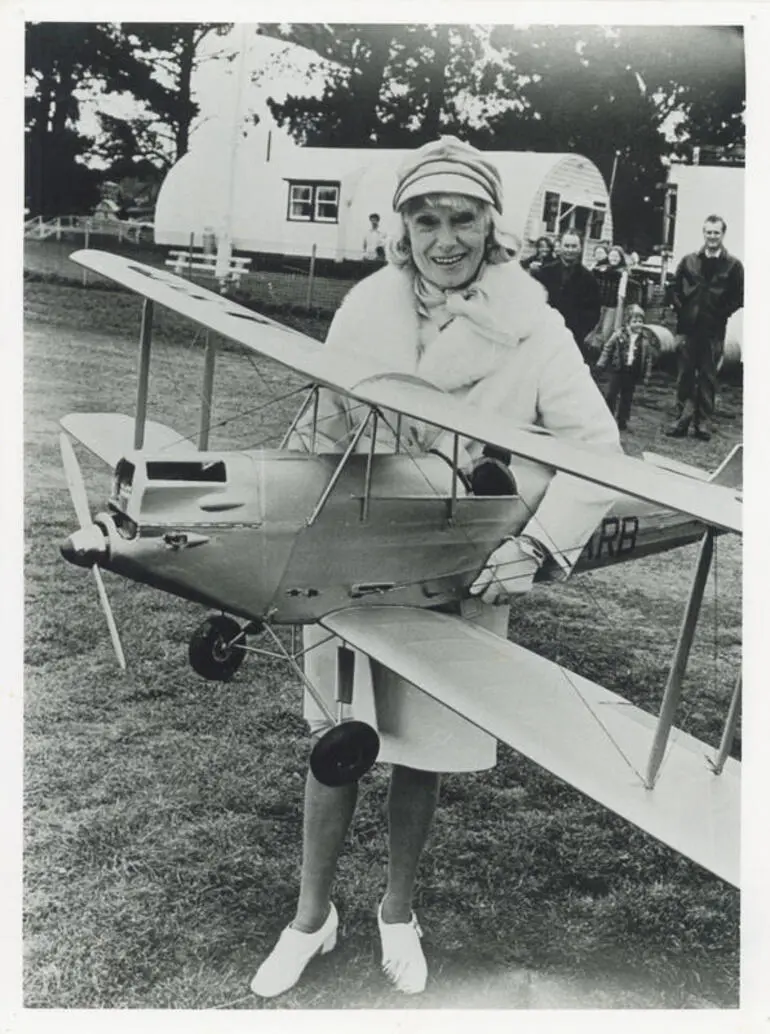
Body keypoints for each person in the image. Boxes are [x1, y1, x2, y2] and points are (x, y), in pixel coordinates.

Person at [250, 136, 620, 999]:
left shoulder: (536, 327)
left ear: (494, 227)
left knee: (426, 749)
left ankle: (396, 911)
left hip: (464, 562)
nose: (444, 239)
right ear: (401, 227)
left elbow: (596, 448)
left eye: (463, 220)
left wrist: (536, 545)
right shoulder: (365, 309)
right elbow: (327, 424)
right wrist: (287, 490)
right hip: (354, 552)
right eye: (426, 220)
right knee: (333, 741)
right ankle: (311, 917)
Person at [666, 215, 744, 440]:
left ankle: (703, 423)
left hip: (713, 331)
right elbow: (674, 286)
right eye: (708, 232)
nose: (712, 237)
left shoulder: (733, 265)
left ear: (722, 234)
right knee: (684, 376)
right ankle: (680, 421)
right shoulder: (689, 260)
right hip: (688, 328)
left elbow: (740, 296)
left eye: (716, 233)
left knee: (708, 378)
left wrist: (721, 313)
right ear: (704, 233)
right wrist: (681, 309)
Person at [531, 229, 601, 358]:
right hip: (544, 334)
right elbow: (533, 302)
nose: (570, 250)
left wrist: (576, 332)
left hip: (572, 339)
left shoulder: (589, 279)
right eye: (567, 246)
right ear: (560, 247)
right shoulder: (544, 272)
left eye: (574, 246)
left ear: (580, 248)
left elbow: (593, 312)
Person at [595, 303, 657, 430]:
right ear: (628, 322)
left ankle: (622, 420)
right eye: (635, 321)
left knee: (627, 398)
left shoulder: (645, 340)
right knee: (611, 394)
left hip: (632, 373)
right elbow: (608, 348)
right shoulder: (619, 334)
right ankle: (607, 418)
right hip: (618, 370)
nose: (638, 324)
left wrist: (646, 376)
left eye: (640, 321)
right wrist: (601, 364)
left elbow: (648, 359)